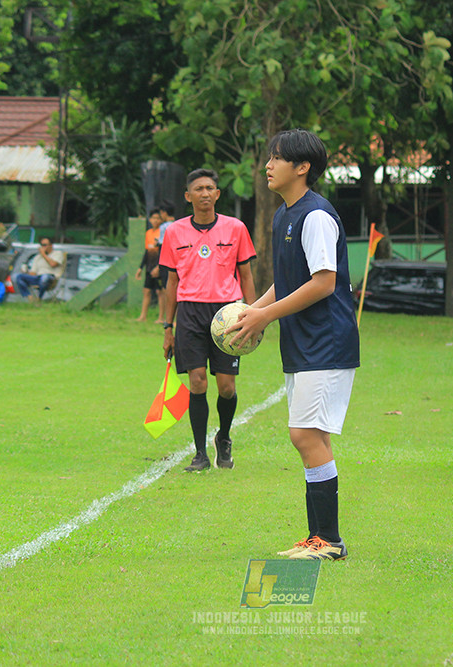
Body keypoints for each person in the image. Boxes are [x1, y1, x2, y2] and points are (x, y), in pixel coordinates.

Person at [228, 129, 360, 561]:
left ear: (302, 168)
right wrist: (253, 310)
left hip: (327, 342)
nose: (268, 165)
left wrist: (266, 315)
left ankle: (330, 541)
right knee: (311, 436)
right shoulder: (283, 215)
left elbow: (324, 282)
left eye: (277, 158)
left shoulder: (315, 215)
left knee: (304, 434)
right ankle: (317, 538)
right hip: (304, 345)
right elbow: (287, 281)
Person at [160, 169, 256, 472]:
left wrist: (254, 316)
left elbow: (247, 275)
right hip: (189, 312)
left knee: (226, 387)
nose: (204, 193)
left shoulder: (236, 228)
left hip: (227, 313)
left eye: (210, 188)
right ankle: (200, 454)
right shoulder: (174, 232)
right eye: (198, 189)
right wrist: (167, 327)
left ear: (217, 194)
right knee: (197, 381)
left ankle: (224, 437)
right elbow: (171, 284)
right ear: (188, 197)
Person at [135, 209, 164, 322]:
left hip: (158, 267)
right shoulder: (148, 233)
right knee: (146, 291)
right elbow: (147, 252)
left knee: (160, 292)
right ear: (150, 219)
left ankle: (161, 317)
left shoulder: (162, 233)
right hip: (149, 266)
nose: (155, 220)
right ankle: (143, 316)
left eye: (158, 218)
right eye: (153, 218)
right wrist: (140, 268)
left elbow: (163, 252)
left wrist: (159, 267)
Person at [15, 237, 65, 302]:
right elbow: (33, 273)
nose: (42, 247)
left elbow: (53, 264)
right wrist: (26, 272)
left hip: (51, 278)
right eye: (41, 245)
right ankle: (29, 296)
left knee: (44, 277)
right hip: (38, 278)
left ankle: (39, 298)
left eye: (44, 245)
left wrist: (43, 254)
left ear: (51, 245)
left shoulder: (58, 253)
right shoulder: (38, 257)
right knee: (19, 277)